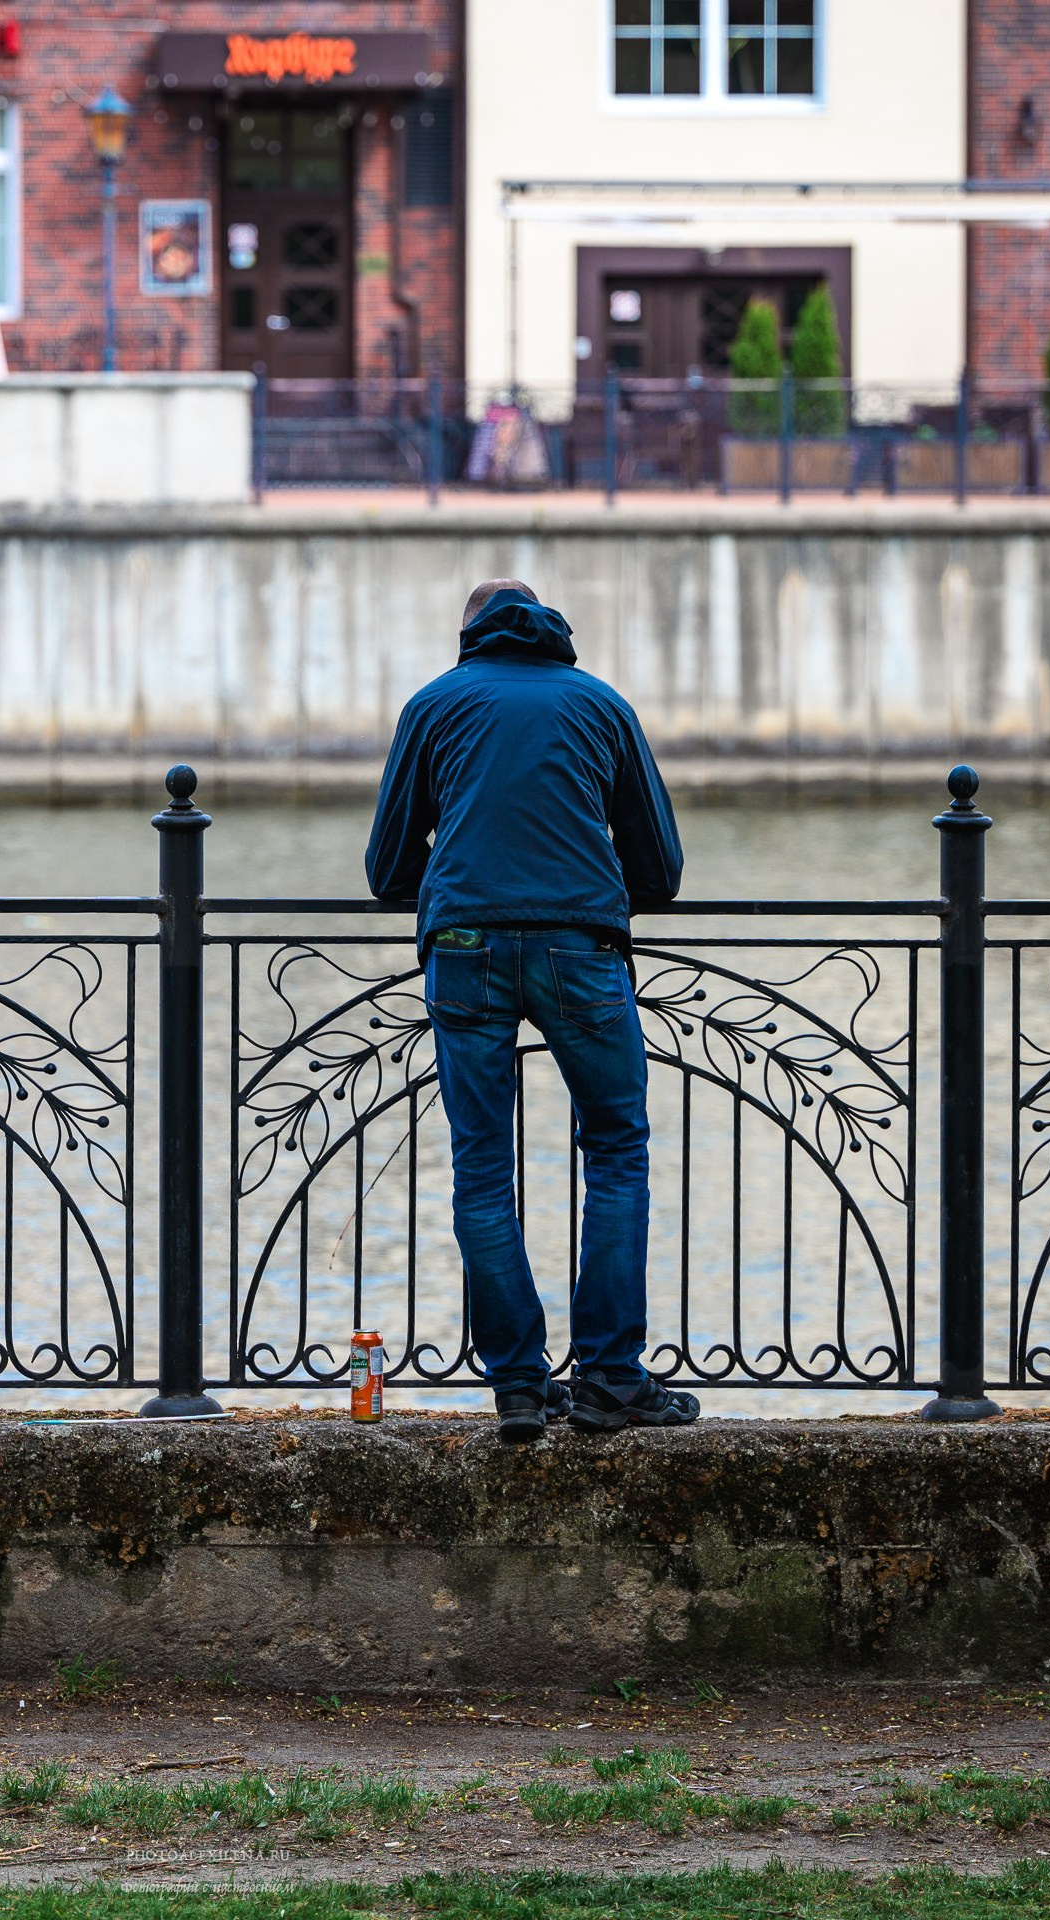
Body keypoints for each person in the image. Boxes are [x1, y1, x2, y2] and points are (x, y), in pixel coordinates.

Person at [366, 580, 697, 1444]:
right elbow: (660, 868)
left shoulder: (434, 705)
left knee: (482, 1168)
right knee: (618, 1153)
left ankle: (518, 1385)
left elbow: (388, 868)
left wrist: (459, 869)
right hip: (581, 950)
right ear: (550, 628)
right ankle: (611, 1381)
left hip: (465, 949)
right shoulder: (601, 705)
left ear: (469, 633)